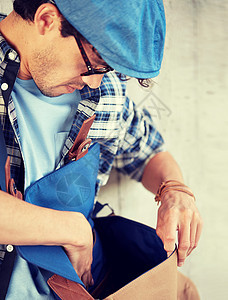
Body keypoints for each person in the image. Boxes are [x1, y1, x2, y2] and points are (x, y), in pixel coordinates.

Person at [0, 0, 202, 298]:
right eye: (92, 65)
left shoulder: (105, 92)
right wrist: (73, 231)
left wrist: (175, 190)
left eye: (106, 69)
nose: (94, 81)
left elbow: (147, 150)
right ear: (47, 20)